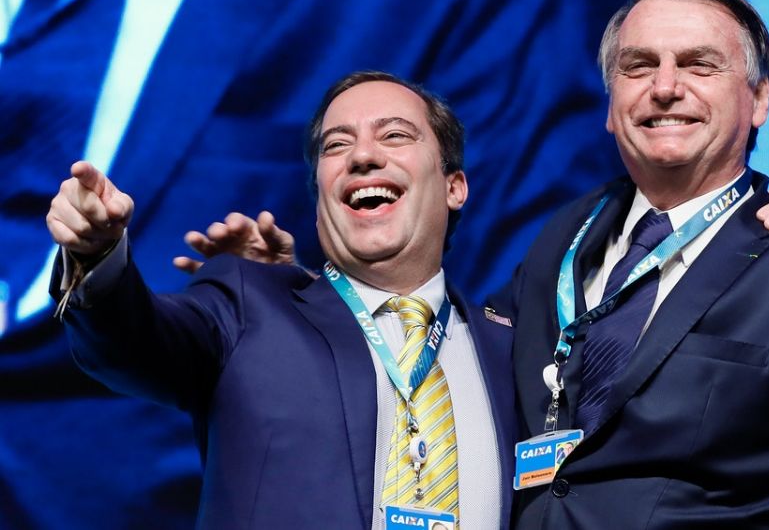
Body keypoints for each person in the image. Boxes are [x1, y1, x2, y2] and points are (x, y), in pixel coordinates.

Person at [494, 0, 769, 528]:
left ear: (759, 99)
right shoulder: (560, 241)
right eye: (638, 66)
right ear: (610, 102)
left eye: (699, 65)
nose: (665, 87)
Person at [46, 72, 516, 529]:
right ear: (320, 205)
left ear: (454, 187)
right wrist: (97, 252)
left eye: (394, 135)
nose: (362, 156)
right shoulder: (251, 305)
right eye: (336, 145)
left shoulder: (514, 349)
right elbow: (131, 342)